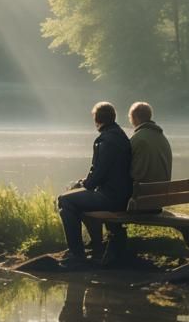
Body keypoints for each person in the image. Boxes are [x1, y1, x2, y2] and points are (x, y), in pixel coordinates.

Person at [56, 101, 132, 270]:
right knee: (76, 198)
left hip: (110, 198)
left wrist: (82, 184)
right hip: (122, 195)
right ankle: (94, 246)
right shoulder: (121, 136)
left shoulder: (105, 140)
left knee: (65, 201)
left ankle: (77, 254)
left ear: (97, 120)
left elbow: (97, 174)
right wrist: (84, 184)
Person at [101, 101, 174, 265]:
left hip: (142, 202)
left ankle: (114, 240)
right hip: (158, 200)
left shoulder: (137, 139)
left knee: (106, 199)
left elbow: (127, 170)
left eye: (130, 117)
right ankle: (113, 242)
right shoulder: (162, 138)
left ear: (134, 118)